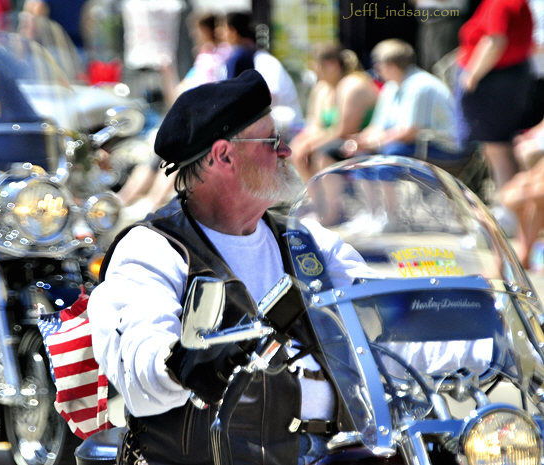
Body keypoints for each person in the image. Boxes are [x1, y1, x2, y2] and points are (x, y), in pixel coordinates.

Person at [87, 70, 377, 465]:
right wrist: (181, 363)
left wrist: (471, 328)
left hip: (338, 452)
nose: (287, 152)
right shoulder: (153, 250)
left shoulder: (307, 243)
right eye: (272, 140)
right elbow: (140, 366)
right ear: (224, 154)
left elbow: (381, 314)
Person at [343, 39, 463, 168]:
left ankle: (389, 188)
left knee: (391, 155)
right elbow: (378, 126)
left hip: (444, 148)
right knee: (361, 158)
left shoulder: (420, 85)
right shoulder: (390, 87)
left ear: (392, 65)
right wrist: (360, 141)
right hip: (412, 144)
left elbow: (408, 132)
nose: (376, 69)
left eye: (378, 63)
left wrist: (375, 143)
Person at [454, 0, 533, 190]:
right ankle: (509, 205)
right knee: (498, 148)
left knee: (497, 149)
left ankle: (508, 210)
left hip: (494, 83)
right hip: (508, 80)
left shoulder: (500, 3)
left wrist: (471, 76)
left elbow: (496, 40)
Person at [289, 43, 379, 182]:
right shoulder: (321, 88)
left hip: (358, 142)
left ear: (332, 65)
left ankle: (330, 203)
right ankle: (313, 199)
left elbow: (344, 130)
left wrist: (310, 146)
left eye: (316, 65)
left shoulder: (353, 85)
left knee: (320, 154)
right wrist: (302, 144)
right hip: (336, 140)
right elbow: (315, 125)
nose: (314, 70)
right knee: (297, 151)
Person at [222, 11, 303, 126]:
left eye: (223, 29)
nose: (220, 34)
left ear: (233, 32)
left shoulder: (264, 60)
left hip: (285, 126)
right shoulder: (238, 58)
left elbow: (270, 96)